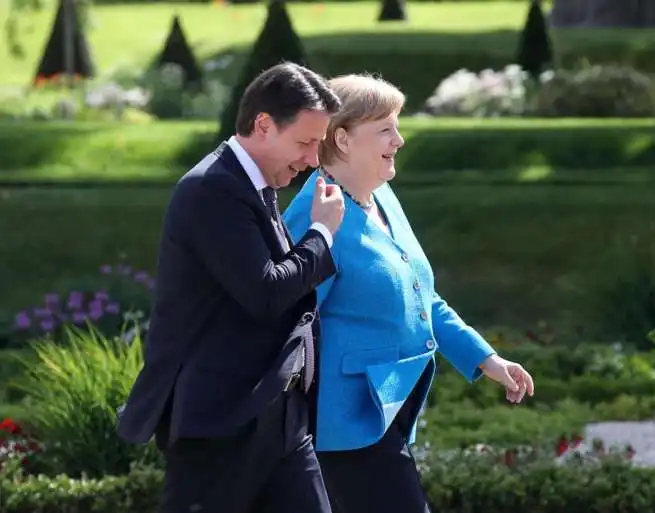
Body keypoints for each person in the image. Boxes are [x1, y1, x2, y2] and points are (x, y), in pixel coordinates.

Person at [282, 73, 535, 513]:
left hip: (387, 409)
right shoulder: (316, 214)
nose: (399, 140)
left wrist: (485, 359)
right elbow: (289, 323)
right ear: (341, 139)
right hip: (339, 424)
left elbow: (424, 298)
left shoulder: (382, 197)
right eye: (385, 129)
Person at [116, 62, 345, 513]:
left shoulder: (253, 184)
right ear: (263, 125)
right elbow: (265, 293)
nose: (312, 159)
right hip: (220, 421)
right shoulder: (211, 189)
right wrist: (321, 235)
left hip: (279, 420)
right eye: (305, 142)